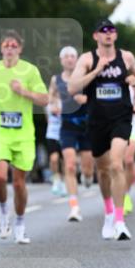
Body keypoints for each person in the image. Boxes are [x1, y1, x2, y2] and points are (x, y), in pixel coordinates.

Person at [68, 19, 135, 240]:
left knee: (116, 164)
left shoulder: (126, 57)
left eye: (111, 30)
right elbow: (72, 87)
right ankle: (109, 212)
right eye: (103, 31)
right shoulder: (87, 59)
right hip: (97, 121)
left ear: (116, 35)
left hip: (121, 118)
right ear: (96, 36)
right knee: (102, 171)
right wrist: (96, 71)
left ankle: (120, 222)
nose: (108, 34)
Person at [0, 29, 49, 245]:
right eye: (6, 45)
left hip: (24, 135)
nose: (10, 48)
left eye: (13, 45)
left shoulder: (30, 71)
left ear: (20, 48)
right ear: (1, 48)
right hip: (0, 133)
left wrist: (24, 92)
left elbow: (45, 99)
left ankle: (20, 223)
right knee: (0, 177)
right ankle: (3, 212)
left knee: (19, 184)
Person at [48, 46, 94, 222]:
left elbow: (96, 96)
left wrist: (86, 99)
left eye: (72, 56)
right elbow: (51, 96)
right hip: (67, 126)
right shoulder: (56, 79)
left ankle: (88, 176)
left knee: (88, 167)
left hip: (86, 125)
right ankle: (74, 207)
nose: (69, 59)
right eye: (66, 56)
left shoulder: (85, 77)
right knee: (69, 165)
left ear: (77, 59)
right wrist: (53, 105)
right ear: (61, 60)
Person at [123, 83, 135, 213]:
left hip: (131, 125)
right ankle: (116, 196)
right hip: (112, 125)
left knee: (129, 161)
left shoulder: (130, 81)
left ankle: (126, 195)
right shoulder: (105, 79)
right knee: (116, 163)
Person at [45, 103, 64, 195]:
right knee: (54, 159)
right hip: (52, 134)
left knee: (64, 161)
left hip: (64, 134)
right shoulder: (47, 103)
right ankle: (56, 179)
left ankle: (63, 181)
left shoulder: (65, 100)